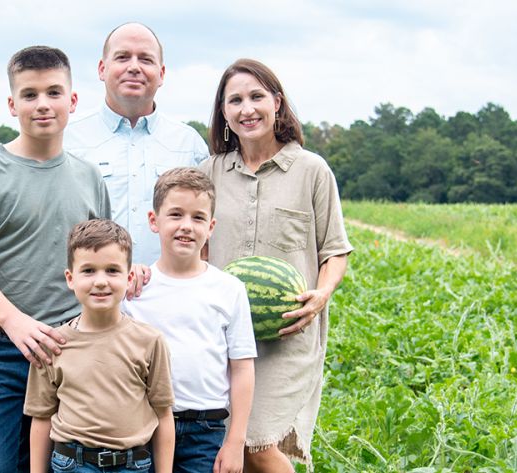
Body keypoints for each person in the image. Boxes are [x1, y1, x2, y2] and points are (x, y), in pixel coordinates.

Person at [0, 45, 110, 473]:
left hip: (68, 350)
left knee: (62, 465)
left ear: (72, 100)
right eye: (29, 94)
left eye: (54, 92)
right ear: (12, 104)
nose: (42, 104)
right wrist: (14, 323)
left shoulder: (89, 177)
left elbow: (102, 264)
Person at [198, 59, 353, 472]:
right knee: (230, 447)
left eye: (256, 97)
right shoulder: (210, 172)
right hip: (223, 336)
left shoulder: (311, 170)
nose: (247, 109)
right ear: (224, 111)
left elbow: (335, 250)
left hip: (287, 333)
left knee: (256, 441)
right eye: (235, 100)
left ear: (277, 103)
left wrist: (321, 294)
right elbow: (196, 247)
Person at [125, 168, 257, 473]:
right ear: (154, 221)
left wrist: (235, 441)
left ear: (211, 227)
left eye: (198, 218)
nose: (186, 225)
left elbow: (242, 368)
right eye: (175, 214)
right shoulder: (135, 289)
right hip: (143, 426)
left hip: (204, 430)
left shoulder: (229, 289)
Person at [26, 219, 175, 473]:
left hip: (133, 464)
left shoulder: (150, 341)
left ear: (129, 277)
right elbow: (41, 417)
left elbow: (163, 414)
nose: (101, 281)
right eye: (88, 271)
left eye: (112, 270)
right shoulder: (52, 344)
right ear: (70, 278)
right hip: (72, 463)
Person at [66, 22, 210, 266]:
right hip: (93, 287)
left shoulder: (189, 145)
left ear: (161, 74)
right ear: (102, 69)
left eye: (145, 59)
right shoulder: (69, 140)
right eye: (122, 57)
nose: (134, 67)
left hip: (168, 288)